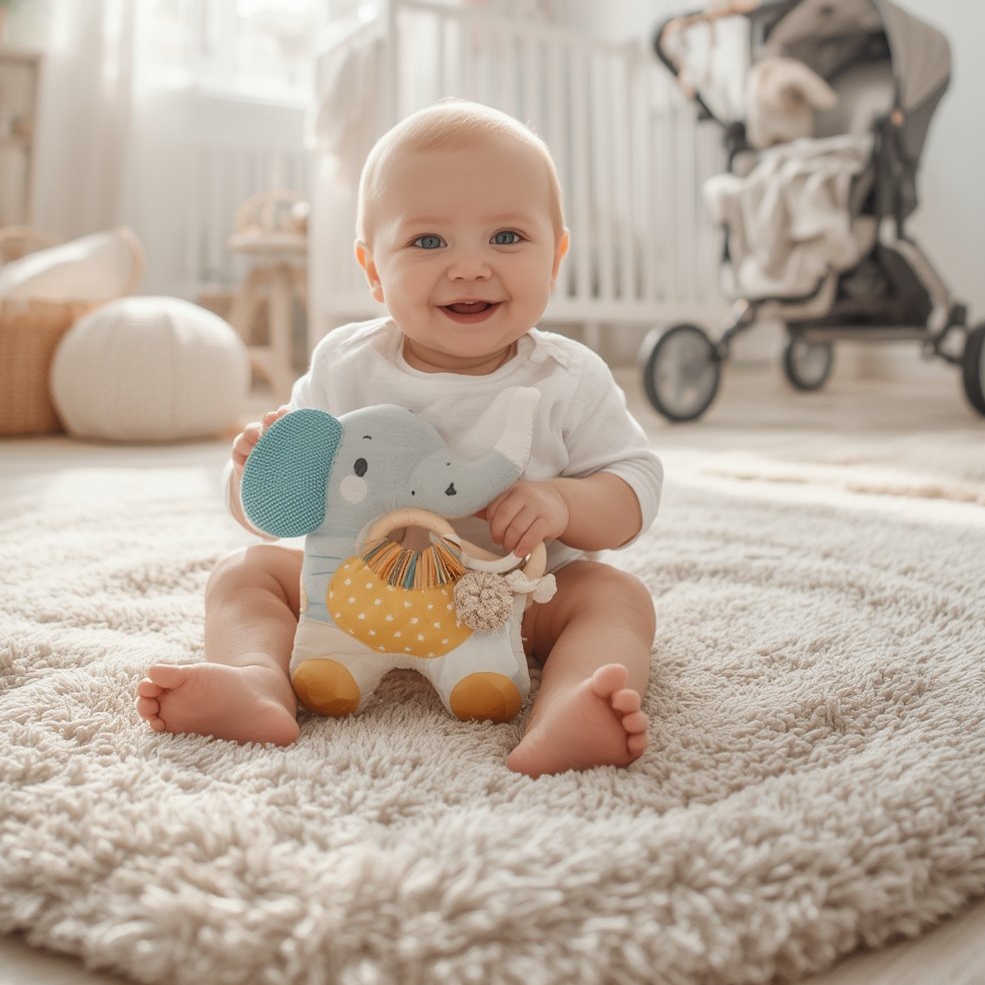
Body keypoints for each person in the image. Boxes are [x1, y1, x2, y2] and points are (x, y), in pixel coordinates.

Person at [136, 101, 663, 777]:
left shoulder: (569, 377)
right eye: (428, 242)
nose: (471, 267)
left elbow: (635, 484)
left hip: (515, 598)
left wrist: (564, 502)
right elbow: (272, 516)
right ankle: (255, 678)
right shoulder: (344, 364)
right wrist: (252, 472)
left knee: (616, 597)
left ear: (556, 254)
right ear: (373, 268)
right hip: (353, 590)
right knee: (244, 573)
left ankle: (569, 704)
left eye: (506, 237)